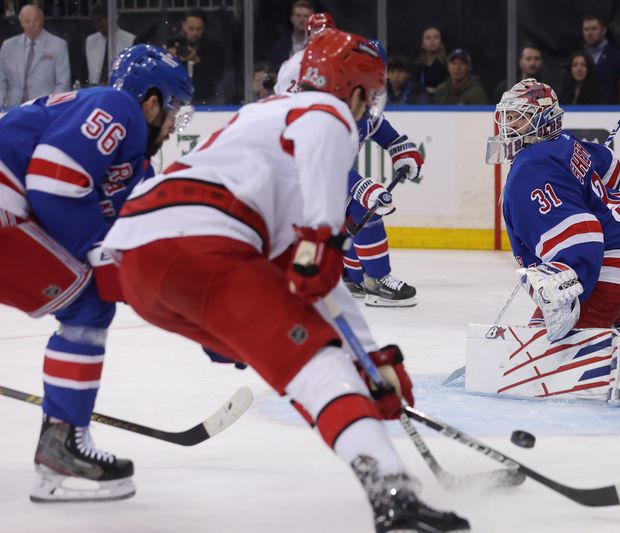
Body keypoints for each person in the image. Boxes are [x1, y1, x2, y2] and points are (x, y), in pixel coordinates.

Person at [102, 29, 469, 533]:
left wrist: (371, 356)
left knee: (307, 363)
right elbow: (324, 141)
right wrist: (322, 231)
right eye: (371, 95)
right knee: (317, 366)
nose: (367, 109)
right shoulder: (330, 112)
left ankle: (384, 475)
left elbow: (317, 285)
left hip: (142, 263)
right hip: (200, 246)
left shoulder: (259, 121)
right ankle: (393, 493)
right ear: (356, 90)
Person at [0, 44, 193, 502]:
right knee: (87, 305)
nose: (171, 126)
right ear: (150, 101)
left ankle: (61, 441)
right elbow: (53, 180)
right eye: (173, 112)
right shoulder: (116, 106)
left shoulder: (130, 162)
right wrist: (97, 253)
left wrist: (197, 315)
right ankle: (62, 444)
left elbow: (133, 242)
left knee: (91, 299)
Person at [485, 79, 620, 406]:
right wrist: (579, 168)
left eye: (518, 117)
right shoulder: (563, 142)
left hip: (612, 259)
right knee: (544, 333)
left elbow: (583, 237)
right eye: (507, 116)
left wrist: (569, 294)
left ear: (541, 121)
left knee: (548, 351)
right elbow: (610, 166)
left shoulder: (531, 169)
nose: (507, 125)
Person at [276, 14, 423, 307]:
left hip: (314, 182)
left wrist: (401, 150)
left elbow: (380, 129)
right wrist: (362, 188)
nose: (375, 90)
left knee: (350, 218)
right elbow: (318, 160)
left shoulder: (351, 105)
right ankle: (375, 279)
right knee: (360, 207)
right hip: (296, 184)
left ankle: (354, 279)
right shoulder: (322, 113)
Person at [0, 4, 69, 109]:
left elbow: (63, 83)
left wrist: (53, 108)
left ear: (42, 20)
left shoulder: (58, 45)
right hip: (12, 108)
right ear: (21, 23)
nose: (32, 25)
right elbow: (1, 79)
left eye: (35, 20)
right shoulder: (8, 45)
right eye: (27, 21)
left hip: (43, 109)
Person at [166, 9, 224, 104]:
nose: (195, 33)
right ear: (183, 26)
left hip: (206, 100)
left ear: (204, 28)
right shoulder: (173, 44)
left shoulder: (214, 49)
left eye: (198, 29)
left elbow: (218, 77)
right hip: (177, 99)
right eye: (191, 28)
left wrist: (198, 62)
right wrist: (172, 59)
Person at [581, 14, 620, 105]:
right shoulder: (578, 57)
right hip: (584, 110)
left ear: (604, 30)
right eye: (586, 29)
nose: (589, 33)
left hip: (610, 109)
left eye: (594, 28)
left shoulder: (617, 56)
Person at [84, 2, 135, 87]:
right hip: (95, 90)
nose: (99, 23)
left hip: (120, 89)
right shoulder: (90, 41)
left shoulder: (130, 40)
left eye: (101, 20)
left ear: (112, 18)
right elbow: (85, 71)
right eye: (96, 21)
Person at [268, 0, 314, 66]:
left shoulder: (315, 44)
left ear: (311, 19)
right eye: (298, 16)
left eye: (306, 16)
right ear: (292, 18)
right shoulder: (281, 45)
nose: (302, 19)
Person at [411, 26, 448, 95]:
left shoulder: (447, 65)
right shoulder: (416, 65)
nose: (432, 40)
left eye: (436, 37)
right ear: (422, 43)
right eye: (428, 38)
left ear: (441, 42)